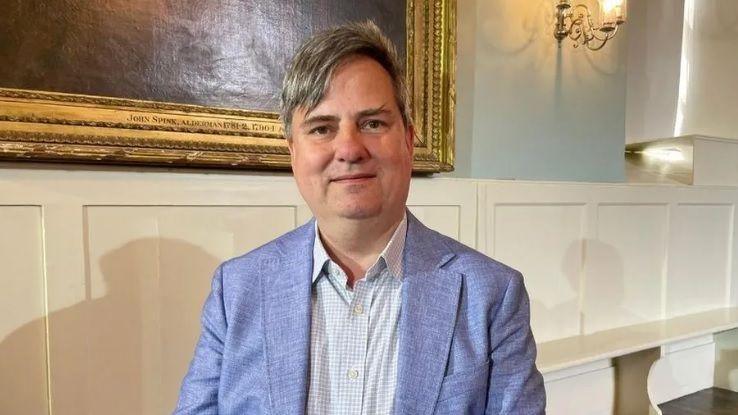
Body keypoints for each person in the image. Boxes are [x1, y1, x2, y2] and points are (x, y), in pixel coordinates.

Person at [174, 21, 545, 414]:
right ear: (293, 152)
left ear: (407, 139)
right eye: (321, 128)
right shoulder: (237, 290)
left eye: (372, 123)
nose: (349, 148)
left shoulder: (491, 295)